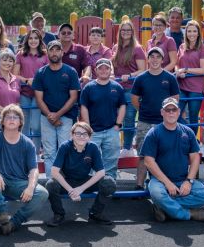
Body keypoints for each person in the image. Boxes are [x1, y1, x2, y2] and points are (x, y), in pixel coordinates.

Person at [0, 104, 49, 235]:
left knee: (42, 193)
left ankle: (14, 223)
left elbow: (33, 170)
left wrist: (30, 187)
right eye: (8, 117)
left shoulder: (28, 143)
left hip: (19, 183)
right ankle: (2, 214)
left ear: (20, 122)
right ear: (2, 121)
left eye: (15, 117)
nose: (12, 119)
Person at [142, 98, 204, 222]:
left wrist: (189, 181)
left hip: (182, 179)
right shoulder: (153, 133)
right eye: (167, 110)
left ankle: (164, 207)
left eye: (174, 109)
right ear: (162, 112)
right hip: (159, 181)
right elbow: (148, 162)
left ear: (179, 111)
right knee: (157, 193)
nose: (171, 113)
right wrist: (167, 183)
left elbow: (195, 158)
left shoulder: (188, 132)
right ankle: (187, 214)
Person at [45, 122, 117, 226]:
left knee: (109, 183)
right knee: (51, 185)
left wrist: (81, 189)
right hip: (68, 181)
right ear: (72, 135)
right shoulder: (65, 146)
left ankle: (95, 213)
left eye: (85, 134)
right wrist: (71, 190)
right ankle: (58, 214)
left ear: (89, 137)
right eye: (78, 133)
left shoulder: (93, 147)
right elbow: (54, 171)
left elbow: (101, 172)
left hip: (84, 180)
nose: (81, 136)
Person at [131, 47, 180, 188]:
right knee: (142, 154)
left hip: (164, 123)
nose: (154, 59)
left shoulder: (170, 78)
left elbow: (175, 99)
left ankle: (163, 183)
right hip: (144, 121)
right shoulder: (141, 78)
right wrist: (144, 111)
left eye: (158, 56)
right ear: (148, 59)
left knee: (164, 154)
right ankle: (139, 185)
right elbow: (134, 99)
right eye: (151, 56)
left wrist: (167, 116)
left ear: (162, 59)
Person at [32, 40, 80, 175]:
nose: (54, 53)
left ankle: (66, 184)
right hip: (46, 118)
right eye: (51, 50)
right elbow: (39, 98)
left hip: (66, 118)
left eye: (57, 50)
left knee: (65, 151)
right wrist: (50, 116)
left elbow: (73, 97)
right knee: (49, 153)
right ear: (47, 52)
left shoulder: (70, 72)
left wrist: (57, 115)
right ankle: (51, 183)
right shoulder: (41, 73)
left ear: (62, 52)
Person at [80, 58, 126, 179]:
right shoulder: (89, 88)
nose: (104, 70)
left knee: (111, 163)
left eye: (107, 68)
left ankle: (109, 186)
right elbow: (84, 107)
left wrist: (118, 125)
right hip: (93, 131)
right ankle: (89, 187)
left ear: (111, 70)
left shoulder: (117, 87)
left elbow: (122, 106)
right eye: (101, 68)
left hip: (112, 130)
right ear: (96, 70)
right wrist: (88, 127)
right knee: (89, 160)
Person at [112, 20, 146, 156]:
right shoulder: (116, 48)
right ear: (119, 32)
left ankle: (127, 148)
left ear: (132, 32)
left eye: (128, 30)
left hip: (130, 88)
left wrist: (130, 75)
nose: (125, 32)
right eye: (123, 30)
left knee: (129, 118)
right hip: (116, 88)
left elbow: (143, 70)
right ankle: (115, 147)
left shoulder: (137, 49)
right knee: (115, 118)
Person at [14, 29, 48, 152]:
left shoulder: (45, 55)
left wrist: (37, 81)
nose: (33, 41)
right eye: (30, 38)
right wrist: (27, 80)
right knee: (24, 124)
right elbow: (15, 75)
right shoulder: (21, 54)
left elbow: (49, 73)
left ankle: (36, 150)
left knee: (36, 125)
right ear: (27, 40)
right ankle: (24, 151)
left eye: (36, 38)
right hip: (24, 93)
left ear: (40, 40)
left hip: (39, 94)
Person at [175, 20, 204, 132]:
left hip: (196, 88)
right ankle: (187, 132)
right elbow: (176, 64)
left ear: (198, 33)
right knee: (174, 112)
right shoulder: (182, 47)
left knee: (193, 117)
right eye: (189, 31)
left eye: (194, 31)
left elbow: (203, 70)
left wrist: (186, 70)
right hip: (182, 86)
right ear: (186, 33)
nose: (192, 34)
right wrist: (178, 71)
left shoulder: (203, 48)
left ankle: (193, 143)